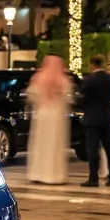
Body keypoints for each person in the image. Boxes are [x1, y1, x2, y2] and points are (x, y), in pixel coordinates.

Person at [26, 54, 72, 184]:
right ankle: (53, 175)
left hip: (42, 115)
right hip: (56, 116)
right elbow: (68, 98)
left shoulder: (38, 78)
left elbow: (32, 95)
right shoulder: (63, 80)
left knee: (41, 144)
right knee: (54, 145)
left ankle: (38, 173)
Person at [80, 54, 110, 187]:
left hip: (92, 118)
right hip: (107, 117)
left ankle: (93, 178)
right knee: (109, 148)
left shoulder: (88, 80)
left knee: (93, 149)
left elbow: (83, 99)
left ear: (92, 64)